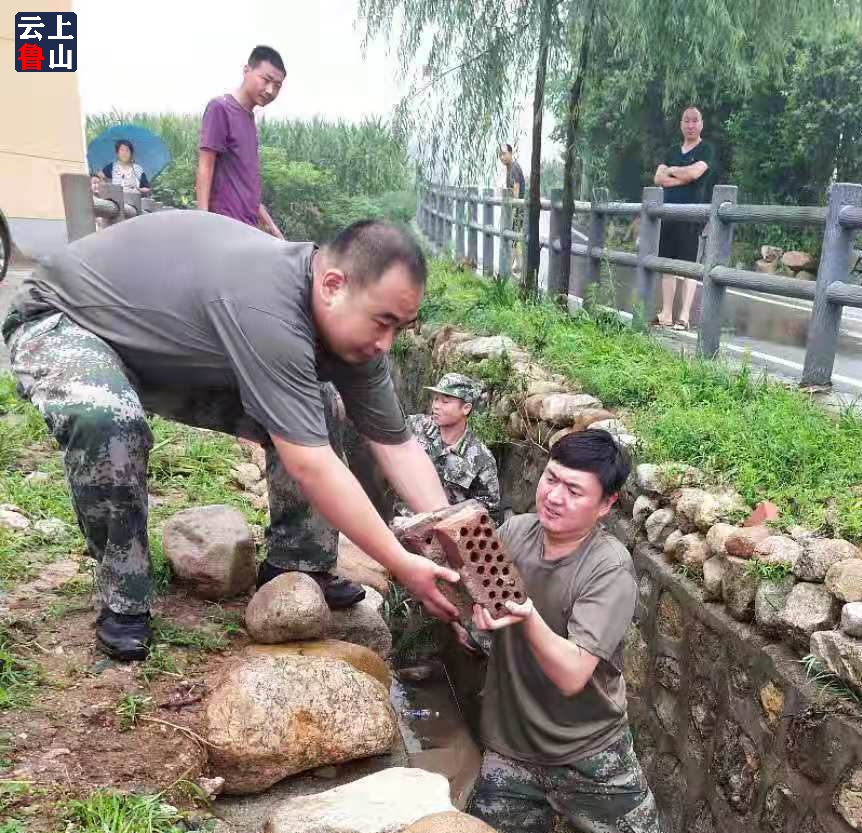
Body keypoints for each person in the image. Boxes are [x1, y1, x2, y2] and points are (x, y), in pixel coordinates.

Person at [3, 211, 458, 661]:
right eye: (383, 322)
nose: (387, 344)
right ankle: (124, 597)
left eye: (400, 327)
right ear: (333, 284)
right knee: (108, 420)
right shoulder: (269, 308)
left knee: (313, 406)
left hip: (168, 350)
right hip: (64, 319)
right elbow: (310, 464)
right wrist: (401, 565)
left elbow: (398, 445)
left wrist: (457, 547)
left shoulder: (354, 336)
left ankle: (297, 563)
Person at [462, 428, 747, 833]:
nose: (554, 496)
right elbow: (480, 613)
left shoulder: (607, 569)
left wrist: (524, 616)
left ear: (605, 503)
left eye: (573, 489)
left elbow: (572, 673)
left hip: (588, 754)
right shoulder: (511, 536)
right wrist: (480, 615)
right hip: (512, 751)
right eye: (549, 479)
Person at [197, 44, 286, 237]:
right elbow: (205, 167)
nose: (270, 90)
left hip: (247, 229)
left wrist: (271, 227)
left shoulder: (248, 119)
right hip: (223, 227)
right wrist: (202, 222)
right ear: (247, 70)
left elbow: (246, 183)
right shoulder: (220, 108)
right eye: (266, 80)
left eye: (277, 86)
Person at [402, 373, 500, 519]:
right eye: (435, 399)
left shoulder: (481, 459)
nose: (436, 406)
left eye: (445, 402)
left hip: (440, 536)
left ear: (466, 408)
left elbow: (488, 511)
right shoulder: (416, 426)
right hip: (402, 525)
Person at [654, 107, 714, 331]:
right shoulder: (671, 151)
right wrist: (683, 175)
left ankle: (683, 317)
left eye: (694, 121)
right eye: (686, 121)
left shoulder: (706, 149)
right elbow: (659, 178)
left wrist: (674, 172)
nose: (690, 125)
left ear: (701, 124)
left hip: (691, 215)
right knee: (667, 265)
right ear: (681, 124)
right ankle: (666, 314)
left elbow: (695, 174)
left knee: (688, 265)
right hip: (668, 213)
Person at [499, 144, 527, 276]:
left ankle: (508, 268)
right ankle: (518, 266)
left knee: (513, 238)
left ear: (511, 153)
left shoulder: (514, 168)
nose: (502, 157)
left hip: (517, 209)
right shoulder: (509, 168)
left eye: (504, 153)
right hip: (515, 209)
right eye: (500, 154)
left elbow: (515, 193)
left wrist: (513, 209)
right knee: (515, 239)